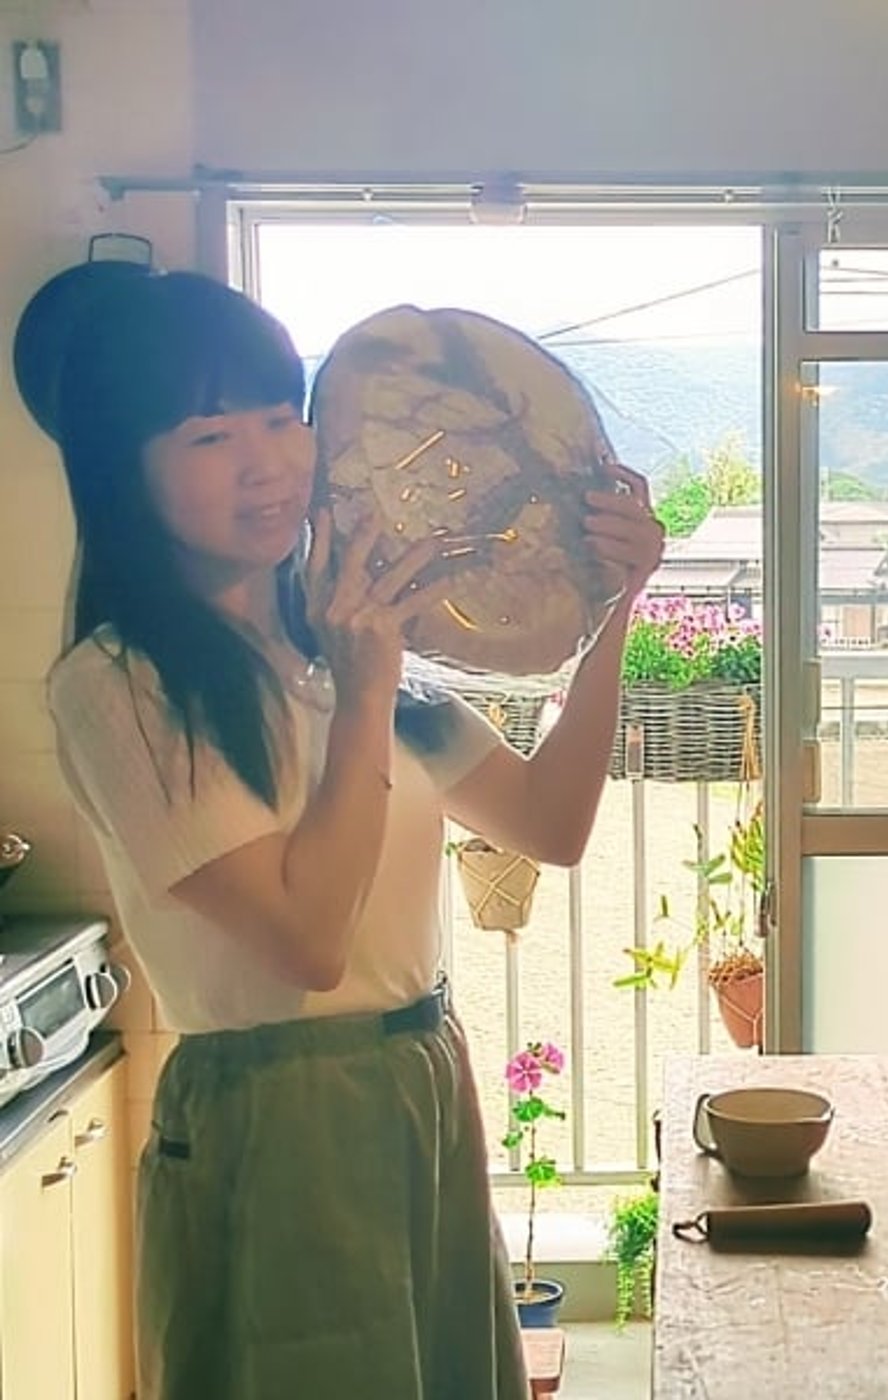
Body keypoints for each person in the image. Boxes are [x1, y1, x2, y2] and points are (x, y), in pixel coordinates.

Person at [39, 270, 663, 1400]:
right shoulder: (120, 684)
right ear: (124, 471)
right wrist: (366, 690)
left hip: (419, 1079)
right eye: (211, 435)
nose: (269, 461)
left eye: (282, 416)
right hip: (278, 1113)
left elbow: (552, 823)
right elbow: (310, 940)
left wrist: (611, 602)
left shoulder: (349, 645)